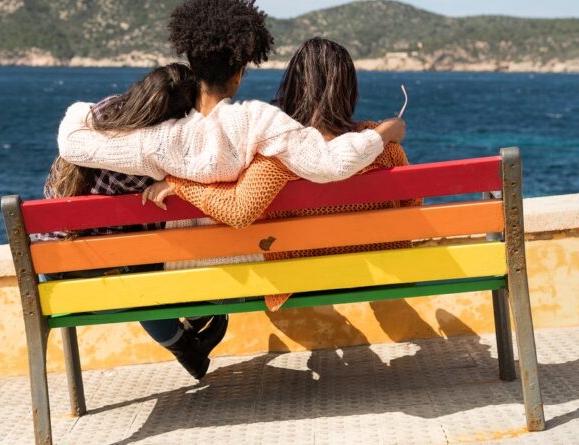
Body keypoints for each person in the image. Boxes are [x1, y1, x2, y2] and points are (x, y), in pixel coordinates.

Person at [142, 38, 422, 310]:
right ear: (349, 89)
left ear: (294, 87)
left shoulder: (279, 154)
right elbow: (412, 208)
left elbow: (237, 211)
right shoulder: (381, 147)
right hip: (380, 271)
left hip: (303, 279)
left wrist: (178, 183)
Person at [57, 0, 407, 185]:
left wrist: (82, 110)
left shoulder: (161, 139)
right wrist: (386, 132)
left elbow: (72, 145)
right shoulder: (257, 121)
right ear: (240, 70)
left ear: (191, 61)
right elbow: (328, 164)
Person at [39, 63, 227, 380]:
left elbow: (78, 113)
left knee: (134, 263)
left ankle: (188, 345)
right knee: (146, 270)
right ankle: (192, 335)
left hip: (57, 276)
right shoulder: (151, 158)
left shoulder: (101, 115)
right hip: (107, 285)